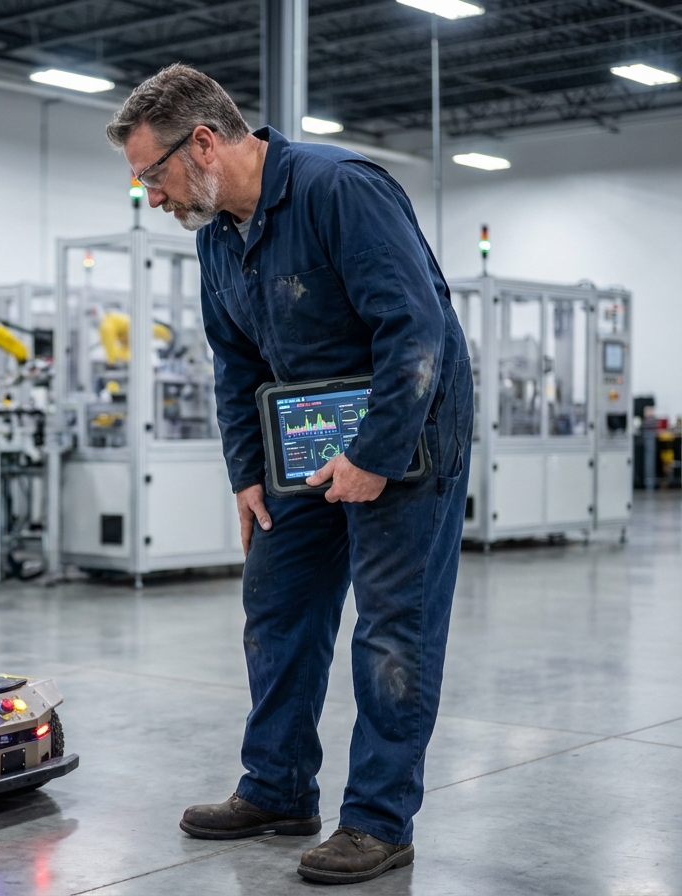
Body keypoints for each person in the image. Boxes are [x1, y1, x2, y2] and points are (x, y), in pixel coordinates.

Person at [105, 64, 473, 885]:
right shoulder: (216, 238)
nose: (151, 198)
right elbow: (234, 365)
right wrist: (246, 474)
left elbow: (414, 330)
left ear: (202, 142)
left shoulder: (339, 190)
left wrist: (376, 455)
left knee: (391, 627)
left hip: (406, 429)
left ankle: (379, 821)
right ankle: (277, 788)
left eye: (151, 175)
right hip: (302, 440)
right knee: (277, 606)